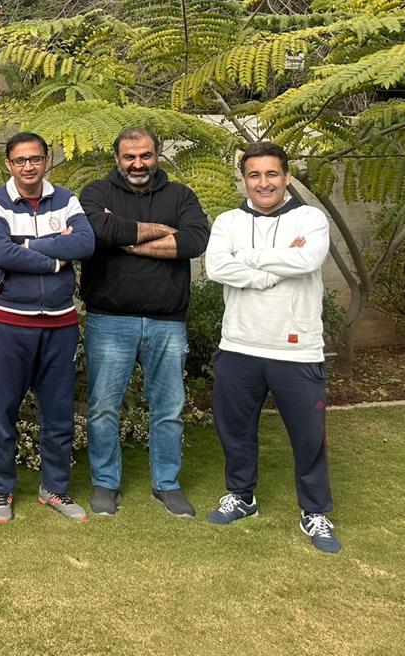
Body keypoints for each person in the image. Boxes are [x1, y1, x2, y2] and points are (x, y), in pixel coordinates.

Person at [204, 141, 340, 553]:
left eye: (271, 174)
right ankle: (242, 497)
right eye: (254, 175)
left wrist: (246, 259)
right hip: (239, 345)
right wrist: (273, 266)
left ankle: (314, 512)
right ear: (244, 180)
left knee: (308, 438)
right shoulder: (228, 221)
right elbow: (216, 267)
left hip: (296, 350)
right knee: (235, 432)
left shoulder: (310, 218)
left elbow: (308, 260)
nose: (263, 183)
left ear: (286, 176)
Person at [79, 127, 210, 518]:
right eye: (129, 156)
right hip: (109, 320)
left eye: (146, 155)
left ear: (157, 155)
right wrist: (159, 232)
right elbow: (98, 229)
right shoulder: (96, 193)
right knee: (103, 408)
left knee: (168, 409)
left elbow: (195, 241)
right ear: (117, 158)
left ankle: (166, 484)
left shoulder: (180, 196)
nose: (138, 164)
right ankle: (106, 483)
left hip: (167, 323)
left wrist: (124, 238)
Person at [0, 131, 95, 523]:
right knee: (4, 413)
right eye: (20, 160)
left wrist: (28, 245)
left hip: (60, 324)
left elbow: (85, 244)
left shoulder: (66, 199)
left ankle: (54, 489)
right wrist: (55, 256)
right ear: (8, 164)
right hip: (9, 322)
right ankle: (2, 490)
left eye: (35, 158)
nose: (28, 166)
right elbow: (1, 253)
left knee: (59, 414)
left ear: (46, 160)